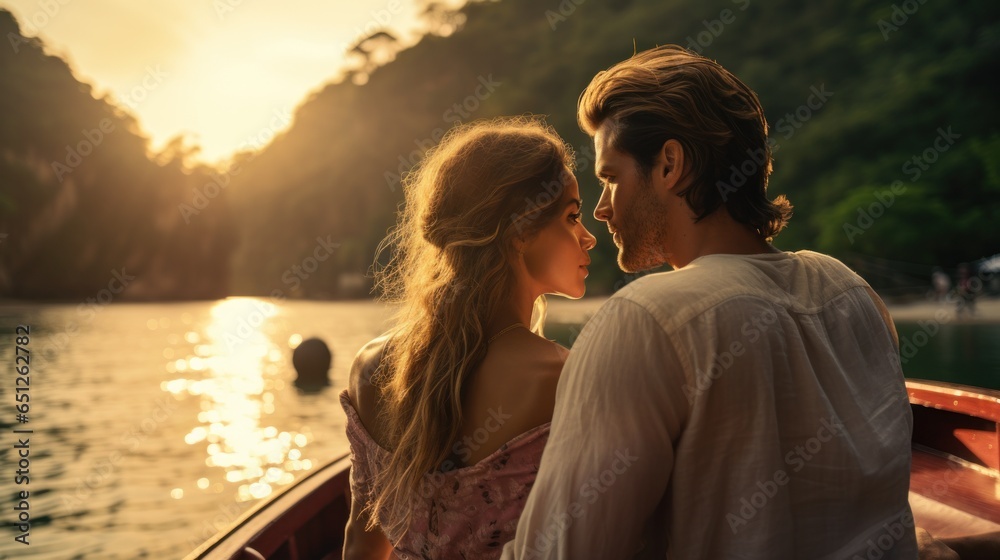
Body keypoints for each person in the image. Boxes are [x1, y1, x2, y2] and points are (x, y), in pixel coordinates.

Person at [499, 45, 918, 559]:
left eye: (610, 177)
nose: (603, 209)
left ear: (670, 164)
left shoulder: (646, 318)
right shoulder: (855, 294)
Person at [341, 117, 596, 559]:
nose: (588, 236)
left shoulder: (371, 366)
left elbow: (362, 544)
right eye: (572, 216)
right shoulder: (563, 376)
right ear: (520, 232)